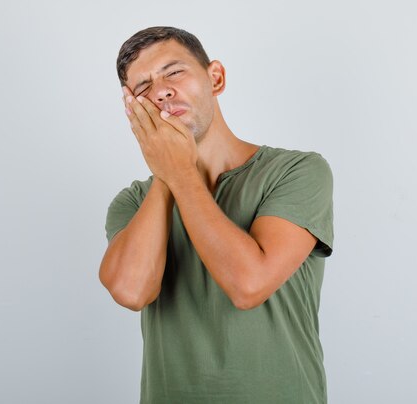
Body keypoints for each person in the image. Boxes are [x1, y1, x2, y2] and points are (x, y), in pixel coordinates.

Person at [99, 26, 334, 404]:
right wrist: (167, 174)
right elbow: (130, 291)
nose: (160, 90)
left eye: (174, 72)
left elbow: (248, 285)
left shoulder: (296, 171)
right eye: (143, 88)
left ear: (216, 78)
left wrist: (179, 172)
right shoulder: (133, 201)